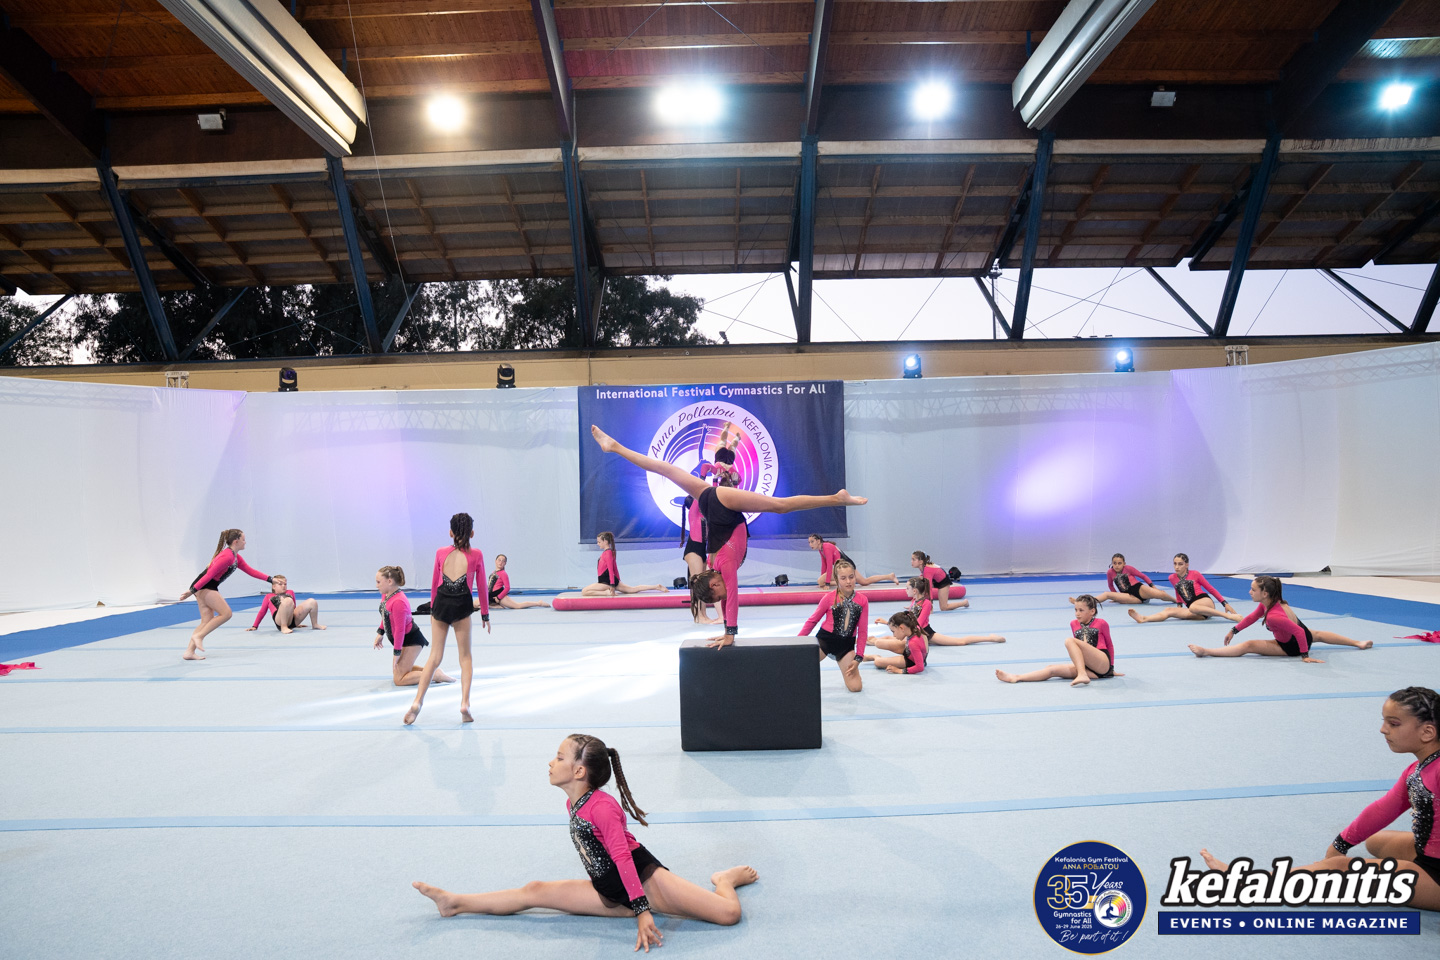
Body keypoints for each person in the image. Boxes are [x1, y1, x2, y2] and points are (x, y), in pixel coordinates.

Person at [412, 734, 759, 950]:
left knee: (728, 914)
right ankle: (455, 902)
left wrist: (642, 910)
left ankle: (724, 879)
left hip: (643, 881)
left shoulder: (602, 807)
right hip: (607, 890)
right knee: (534, 891)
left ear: (579, 771)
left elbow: (623, 858)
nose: (551, 762)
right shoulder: (574, 803)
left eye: (559, 757)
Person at [589, 424, 867, 646]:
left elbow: (731, 596)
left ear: (713, 584)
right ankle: (613, 446)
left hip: (723, 503)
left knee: (780, 506)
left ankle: (836, 498)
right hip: (710, 501)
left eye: (716, 595)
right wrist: (725, 628)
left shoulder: (724, 566)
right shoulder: (713, 569)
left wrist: (730, 633)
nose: (721, 597)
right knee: (666, 469)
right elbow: (725, 595)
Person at [1198, 687, 1440, 912]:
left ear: (1427, 732)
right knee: (1375, 841)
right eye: (1384, 721)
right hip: (1426, 852)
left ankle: (1250, 882)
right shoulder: (1417, 769)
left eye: (1394, 724)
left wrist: (1335, 859)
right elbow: (1383, 809)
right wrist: (1340, 844)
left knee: (1340, 868)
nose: (1383, 729)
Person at [407, 513, 491, 725]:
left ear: (450, 533)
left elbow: (435, 584)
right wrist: (485, 613)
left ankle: (417, 701)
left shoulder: (440, 552)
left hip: (441, 604)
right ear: (472, 533)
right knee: (465, 658)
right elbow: (482, 586)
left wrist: (433, 610)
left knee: (434, 657)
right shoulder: (476, 554)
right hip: (462, 605)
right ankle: (465, 704)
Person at [1186, 575, 1371, 662]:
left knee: (1249, 645)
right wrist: (1234, 630)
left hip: (1291, 646)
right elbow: (1252, 617)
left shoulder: (1274, 616)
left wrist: (1305, 656)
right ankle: (1357, 643)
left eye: (1253, 590)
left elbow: (1298, 632)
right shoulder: (1272, 602)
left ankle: (1206, 651)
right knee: (1319, 634)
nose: (1249, 592)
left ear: (1265, 593)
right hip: (1304, 635)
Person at [178, 528, 271, 660]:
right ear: (236, 541)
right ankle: (199, 636)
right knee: (226, 613)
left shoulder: (235, 557)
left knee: (206, 620)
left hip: (205, 586)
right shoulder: (227, 556)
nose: (245, 542)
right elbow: (209, 574)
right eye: (243, 540)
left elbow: (250, 571)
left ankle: (189, 652)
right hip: (204, 585)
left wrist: (271, 579)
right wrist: (192, 590)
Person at [996, 595, 1121, 687]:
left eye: (1081, 610)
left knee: (1069, 641)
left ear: (1092, 611)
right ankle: (1016, 677)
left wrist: (1111, 668)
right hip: (1090, 668)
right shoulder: (1073, 624)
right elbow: (1078, 650)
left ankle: (1082, 674)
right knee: (1052, 669)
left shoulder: (1101, 623)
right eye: (1075, 610)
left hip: (1102, 663)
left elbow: (1109, 645)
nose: (1077, 614)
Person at [373, 565, 454, 689]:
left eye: (378, 582)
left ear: (389, 581)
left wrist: (396, 653)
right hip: (403, 640)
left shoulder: (398, 601)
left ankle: (436, 676)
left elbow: (400, 630)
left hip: (411, 640)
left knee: (399, 679)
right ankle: (433, 671)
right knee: (398, 673)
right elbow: (385, 616)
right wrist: (380, 633)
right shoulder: (387, 595)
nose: (376, 585)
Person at [798, 560, 868, 692]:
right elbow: (812, 621)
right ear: (836, 579)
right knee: (798, 667)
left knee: (856, 687)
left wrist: (858, 657)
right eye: (843, 578)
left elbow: (863, 631)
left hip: (846, 646)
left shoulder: (862, 600)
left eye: (851, 577)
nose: (848, 581)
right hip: (825, 641)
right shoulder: (829, 598)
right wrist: (797, 641)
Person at [879, 578, 1004, 647]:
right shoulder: (914, 601)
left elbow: (919, 623)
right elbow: (907, 620)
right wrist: (888, 623)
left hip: (925, 632)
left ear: (915, 591)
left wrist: (906, 633)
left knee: (960, 642)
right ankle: (868, 640)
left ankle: (991, 638)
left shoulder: (926, 603)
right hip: (914, 632)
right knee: (889, 638)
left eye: (907, 588)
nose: (905, 590)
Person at [1127, 553, 1241, 624]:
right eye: (1175, 564)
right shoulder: (1172, 578)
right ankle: (1144, 618)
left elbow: (1211, 589)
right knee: (1168, 610)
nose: (1177, 567)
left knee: (1193, 607)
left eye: (1180, 564)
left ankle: (1229, 617)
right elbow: (1178, 591)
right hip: (1195, 610)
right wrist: (1179, 605)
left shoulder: (1195, 574)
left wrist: (1225, 604)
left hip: (1205, 602)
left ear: (1187, 565)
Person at [581, 532, 666, 598]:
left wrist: (612, 585)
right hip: (609, 581)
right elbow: (615, 568)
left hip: (606, 582)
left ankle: (607, 592)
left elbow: (611, 569)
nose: (598, 543)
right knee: (632, 589)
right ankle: (656, 586)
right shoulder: (608, 552)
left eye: (599, 542)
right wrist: (618, 581)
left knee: (585, 591)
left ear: (605, 541)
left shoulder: (608, 553)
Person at [679, 494, 720, 625]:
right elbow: (698, 495)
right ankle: (697, 616)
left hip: (701, 550)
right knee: (696, 585)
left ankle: (703, 614)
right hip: (693, 550)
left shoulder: (705, 515)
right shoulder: (693, 513)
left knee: (702, 585)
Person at [1074, 553, 1175, 606]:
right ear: (1112, 563)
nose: (1117, 566)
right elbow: (1110, 585)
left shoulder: (1129, 568)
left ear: (1124, 563)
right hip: (1129, 596)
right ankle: (1084, 602)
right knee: (1106, 594)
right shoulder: (1110, 572)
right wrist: (1116, 596)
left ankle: (1176, 600)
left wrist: (1153, 587)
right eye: (1114, 563)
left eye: (1119, 563)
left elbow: (1143, 576)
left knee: (1161, 594)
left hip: (1139, 589)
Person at [245, 575, 325, 634]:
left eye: (285, 584)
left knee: (312, 601)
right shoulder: (268, 596)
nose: (283, 586)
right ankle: (284, 627)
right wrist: (255, 626)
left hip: (292, 618)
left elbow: (294, 608)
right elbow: (262, 612)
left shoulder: (290, 592)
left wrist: (297, 622)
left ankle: (315, 624)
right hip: (279, 620)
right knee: (287, 600)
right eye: (280, 584)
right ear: (274, 586)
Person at [810, 534, 896, 588]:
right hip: (842, 566)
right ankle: (889, 576)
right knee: (864, 582)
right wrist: (823, 581)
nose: (810, 544)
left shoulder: (826, 547)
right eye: (809, 542)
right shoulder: (821, 549)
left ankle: (848, 581)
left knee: (820, 581)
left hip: (846, 565)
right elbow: (824, 565)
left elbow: (829, 565)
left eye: (812, 541)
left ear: (818, 541)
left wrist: (827, 583)